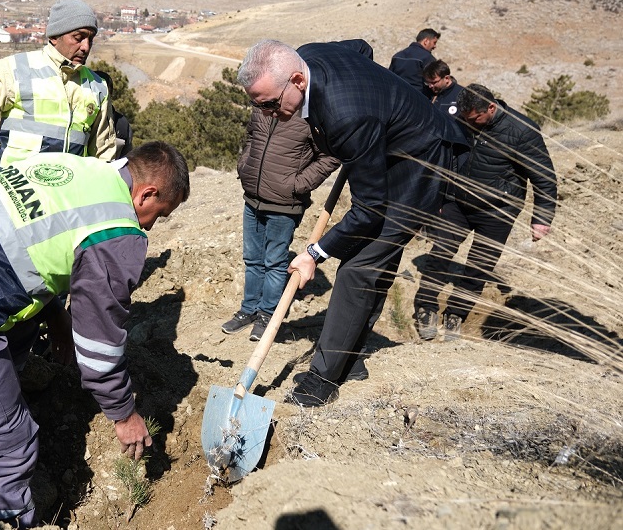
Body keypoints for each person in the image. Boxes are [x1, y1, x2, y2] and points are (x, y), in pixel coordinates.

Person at [0, 142, 190, 528]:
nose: (149, 225)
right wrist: (123, 413)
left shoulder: (71, 166)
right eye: (158, 214)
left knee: (23, 331)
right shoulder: (119, 232)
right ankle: (8, 521)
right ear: (147, 193)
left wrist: (57, 319)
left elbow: (21, 246)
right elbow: (98, 346)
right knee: (11, 441)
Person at [237, 39, 466, 407]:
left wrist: (315, 253)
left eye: (269, 104)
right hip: (388, 143)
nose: (266, 113)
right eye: (257, 104)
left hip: (424, 160)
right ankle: (352, 358)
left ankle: (323, 379)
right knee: (373, 260)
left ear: (297, 80)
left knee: (360, 266)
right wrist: (374, 116)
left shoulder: (348, 117)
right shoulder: (308, 55)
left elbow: (370, 209)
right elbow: (361, 49)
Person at [412, 83, 556, 340]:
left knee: (479, 266)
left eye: (475, 118)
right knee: (441, 252)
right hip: (457, 202)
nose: (471, 123)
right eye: (467, 119)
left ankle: (456, 313)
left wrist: (541, 219)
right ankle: (426, 306)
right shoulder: (462, 118)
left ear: (491, 107)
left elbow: (544, 177)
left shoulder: (523, 131)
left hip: (498, 211)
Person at [0, 0, 116, 170]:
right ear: (55, 36)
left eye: (90, 39)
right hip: (13, 192)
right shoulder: (14, 69)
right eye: (78, 37)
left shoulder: (97, 86)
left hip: (65, 195)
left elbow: (103, 151)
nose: (86, 46)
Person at [221, 109, 338, 340]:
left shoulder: (311, 114)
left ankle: (267, 315)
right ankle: (249, 310)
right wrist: (245, 166)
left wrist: (297, 185)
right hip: (252, 199)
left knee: (274, 261)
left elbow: (330, 156)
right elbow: (252, 138)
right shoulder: (262, 106)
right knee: (252, 259)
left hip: (284, 206)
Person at [389, 28, 440, 92]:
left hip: (398, 95)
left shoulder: (397, 56)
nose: (435, 46)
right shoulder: (427, 58)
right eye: (434, 42)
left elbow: (390, 78)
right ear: (426, 41)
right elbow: (434, 81)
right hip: (418, 97)